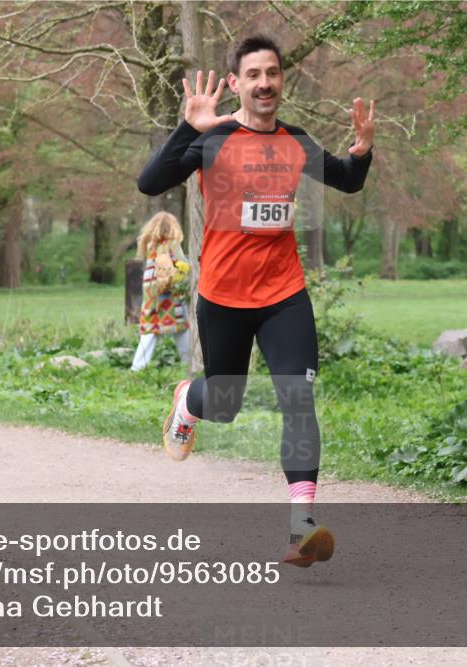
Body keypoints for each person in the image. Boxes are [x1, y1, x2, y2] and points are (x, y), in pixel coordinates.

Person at [137, 34, 375, 568]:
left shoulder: (296, 141)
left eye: (272, 73)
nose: (264, 83)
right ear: (236, 83)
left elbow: (348, 180)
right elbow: (150, 183)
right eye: (253, 75)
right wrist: (186, 128)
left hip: (283, 294)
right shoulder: (212, 139)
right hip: (223, 295)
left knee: (298, 397)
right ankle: (187, 400)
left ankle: (300, 527)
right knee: (224, 405)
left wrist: (361, 153)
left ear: (281, 80)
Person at [130, 211, 192, 371]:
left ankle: (137, 368)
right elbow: (183, 265)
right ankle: (190, 365)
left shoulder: (150, 246)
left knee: (149, 333)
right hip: (171, 297)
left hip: (152, 299)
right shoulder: (172, 245)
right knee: (182, 331)